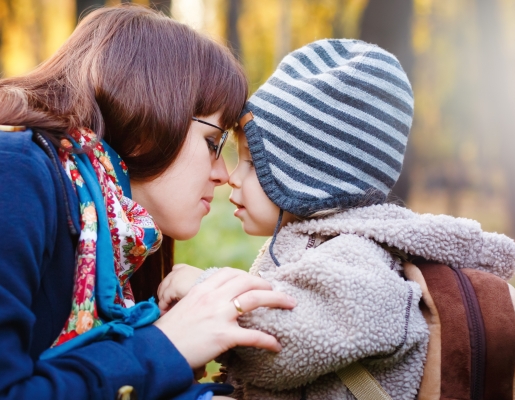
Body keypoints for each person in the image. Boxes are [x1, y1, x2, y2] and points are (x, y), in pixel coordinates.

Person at [160, 39, 515, 399]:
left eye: (253, 164)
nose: (232, 178)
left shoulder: (356, 257)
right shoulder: (304, 244)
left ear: (311, 178)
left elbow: (289, 344)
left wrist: (205, 294)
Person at [0, 5, 295, 400]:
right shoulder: (16, 173)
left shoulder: (126, 237)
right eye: (212, 143)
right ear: (149, 118)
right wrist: (165, 345)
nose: (223, 175)